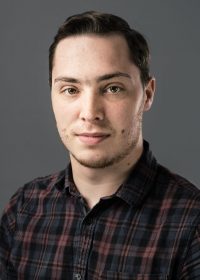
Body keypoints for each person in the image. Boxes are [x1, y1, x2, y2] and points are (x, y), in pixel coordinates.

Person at [0, 10, 200, 279]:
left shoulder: (191, 222)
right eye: (71, 90)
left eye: (112, 88)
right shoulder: (23, 210)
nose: (90, 112)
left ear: (147, 94)